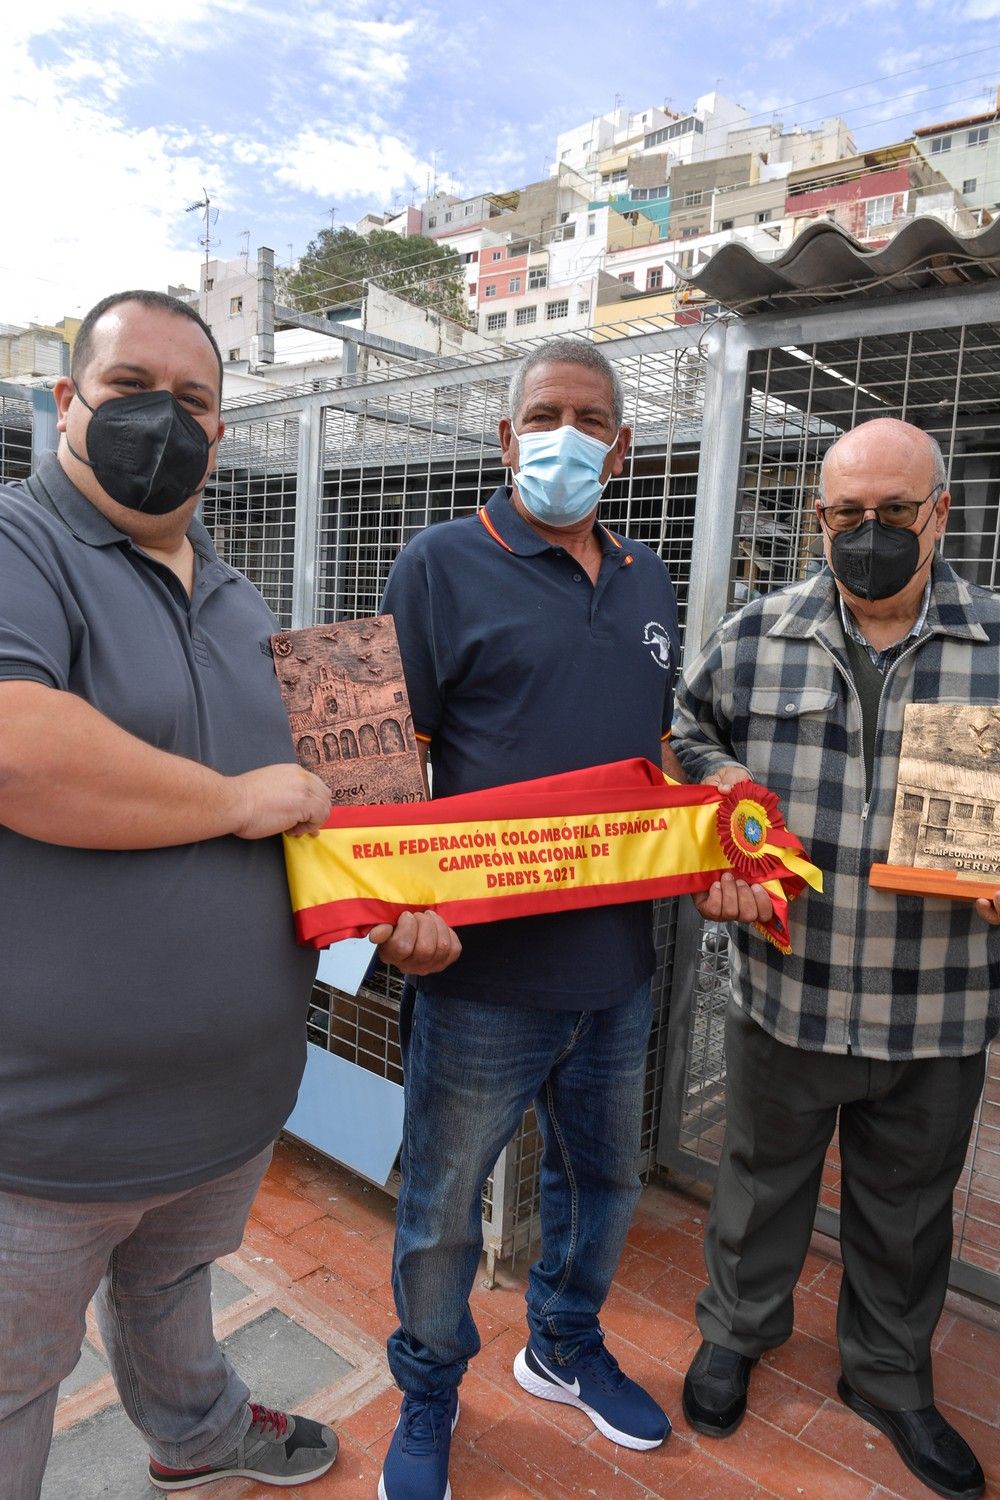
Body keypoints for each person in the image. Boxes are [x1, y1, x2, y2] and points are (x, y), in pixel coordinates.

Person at [0, 289, 450, 1498]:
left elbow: (327, 823)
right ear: (64, 403)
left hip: (227, 1106)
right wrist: (237, 799)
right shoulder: (17, 545)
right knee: (9, 1385)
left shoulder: (248, 606)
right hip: (40, 1129)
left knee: (170, 1293)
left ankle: (194, 1436)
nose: (165, 422)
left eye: (192, 401)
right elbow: (15, 747)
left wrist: (391, 908)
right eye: (131, 389)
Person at [374, 338, 683, 1500]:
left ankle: (561, 1344)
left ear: (621, 444)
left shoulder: (648, 575)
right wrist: (392, 907)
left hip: (618, 966)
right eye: (544, 413)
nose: (567, 433)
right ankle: (429, 1393)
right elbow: (381, 761)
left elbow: (648, 752)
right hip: (478, 977)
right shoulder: (441, 564)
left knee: (601, 1184)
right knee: (442, 1213)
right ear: (507, 439)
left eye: (589, 418)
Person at [671, 418, 999, 1500]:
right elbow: (685, 733)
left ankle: (890, 1376)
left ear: (938, 513)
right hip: (787, 982)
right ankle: (735, 1334)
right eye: (845, 515)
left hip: (935, 999)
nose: (868, 534)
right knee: (759, 1186)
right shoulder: (758, 634)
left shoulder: (993, 645)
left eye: (892, 513)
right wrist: (719, 806)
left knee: (908, 1208)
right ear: (818, 519)